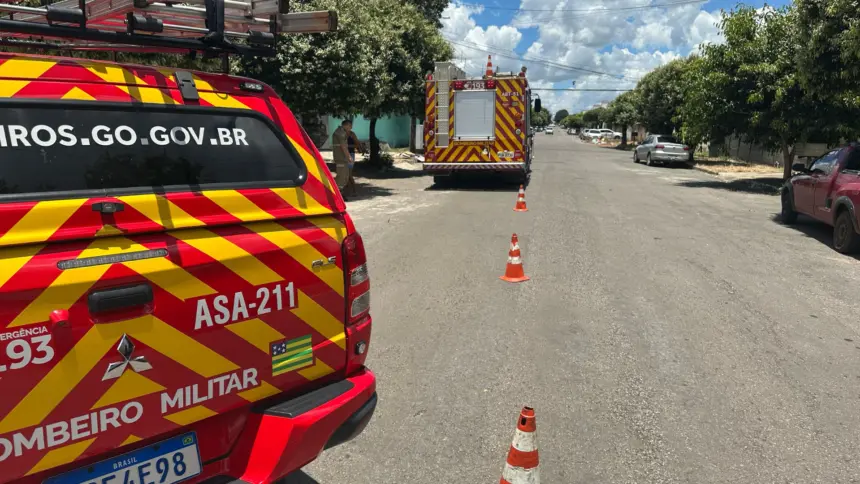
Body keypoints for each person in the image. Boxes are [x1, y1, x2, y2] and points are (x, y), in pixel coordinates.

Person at [332, 119, 356, 199]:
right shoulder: (340, 133)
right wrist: (349, 157)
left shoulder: (342, 132)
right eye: (350, 126)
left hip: (343, 158)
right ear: (345, 125)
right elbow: (343, 146)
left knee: (345, 176)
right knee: (341, 176)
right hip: (340, 157)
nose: (351, 128)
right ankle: (337, 195)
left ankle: (340, 194)